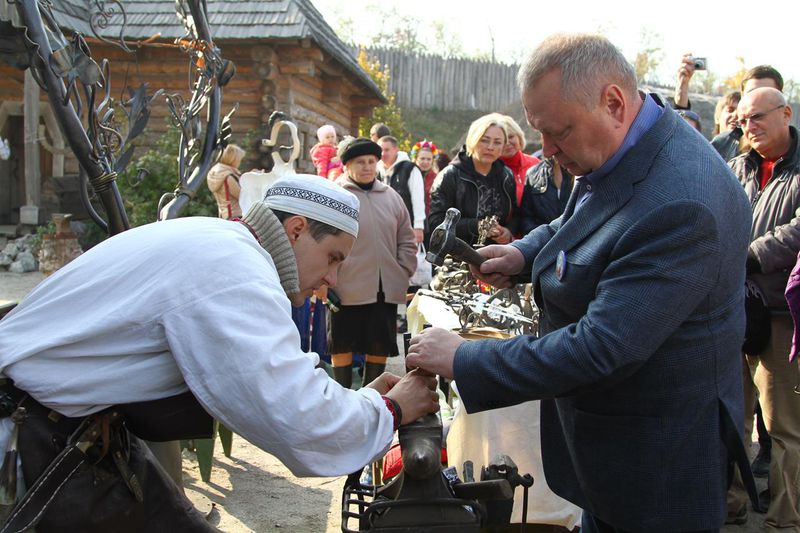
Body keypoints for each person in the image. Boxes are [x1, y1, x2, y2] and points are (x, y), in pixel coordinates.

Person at [407, 33, 756, 532]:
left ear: (613, 101)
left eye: (559, 133)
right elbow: (586, 216)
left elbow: (599, 350)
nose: (545, 150)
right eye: (540, 132)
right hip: (614, 453)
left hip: (656, 471)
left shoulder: (682, 203)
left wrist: (463, 357)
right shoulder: (629, 139)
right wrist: (523, 253)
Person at [0, 175, 438, 531]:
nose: (332, 279)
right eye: (332, 257)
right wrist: (390, 411)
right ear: (297, 229)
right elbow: (296, 415)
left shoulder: (224, 244)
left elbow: (282, 379)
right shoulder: (234, 271)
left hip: (71, 426)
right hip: (29, 433)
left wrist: (367, 403)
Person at [727, 87, 800, 530]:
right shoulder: (735, 168)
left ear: (785, 113)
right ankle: (731, 504)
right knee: (731, 415)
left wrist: (747, 256)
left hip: (779, 315)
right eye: (742, 121)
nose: (749, 127)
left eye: (757, 117)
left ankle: (784, 519)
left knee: (783, 427)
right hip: (731, 308)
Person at [331, 138, 417, 388]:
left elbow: (406, 237)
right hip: (346, 287)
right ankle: (341, 396)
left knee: (379, 343)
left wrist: (403, 270)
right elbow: (322, 239)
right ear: (347, 165)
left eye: (371, 161)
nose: (368, 167)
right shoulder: (337, 195)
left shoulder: (391, 196)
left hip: (384, 287)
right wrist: (326, 280)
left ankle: (373, 398)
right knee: (342, 343)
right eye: (360, 162)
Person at [428, 113, 517, 246]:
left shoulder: (506, 176)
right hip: (457, 257)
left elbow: (516, 215)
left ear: (503, 146)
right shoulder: (450, 176)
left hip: (496, 256)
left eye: (497, 142)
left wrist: (508, 231)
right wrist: (475, 226)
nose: (490, 147)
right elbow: (436, 222)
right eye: (484, 140)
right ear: (472, 140)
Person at [378, 136, 425, 244]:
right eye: (381, 150)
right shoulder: (376, 170)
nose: (383, 154)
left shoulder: (410, 169)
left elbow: (417, 199)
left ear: (396, 150)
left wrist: (418, 226)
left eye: (387, 150)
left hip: (407, 226)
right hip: (383, 228)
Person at [518, 157, 574, 235]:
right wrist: (543, 236)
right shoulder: (533, 173)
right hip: (543, 243)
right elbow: (525, 217)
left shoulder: (580, 171)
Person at [498, 115, 540, 206]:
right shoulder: (491, 169)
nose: (508, 143)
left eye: (511, 136)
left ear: (519, 137)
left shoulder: (535, 163)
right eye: (502, 139)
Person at [207, 143, 245, 219]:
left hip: (223, 215)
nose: (239, 163)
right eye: (239, 160)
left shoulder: (216, 173)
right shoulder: (228, 177)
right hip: (235, 215)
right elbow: (243, 196)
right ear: (233, 160)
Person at [410, 139, 439, 217]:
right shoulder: (409, 175)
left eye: (429, 159)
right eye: (422, 158)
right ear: (416, 159)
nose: (425, 162)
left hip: (429, 219)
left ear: (433, 161)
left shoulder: (437, 179)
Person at [711, 91, 741, 161]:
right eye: (730, 110)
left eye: (740, 111)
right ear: (717, 117)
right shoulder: (705, 150)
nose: (736, 115)